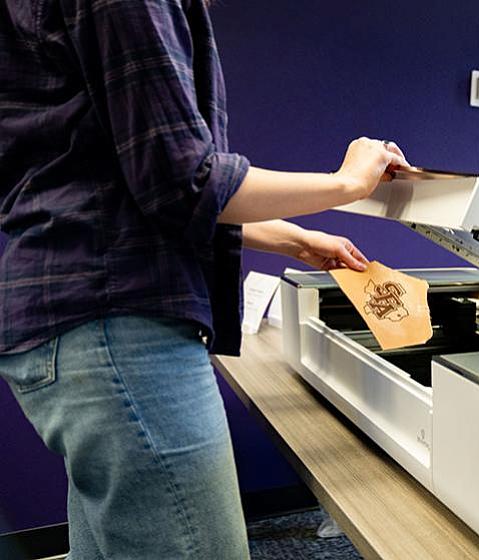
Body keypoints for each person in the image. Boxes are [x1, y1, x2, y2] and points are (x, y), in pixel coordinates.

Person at [0, 0, 409, 558]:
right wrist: (345, 184)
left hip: (71, 322)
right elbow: (184, 181)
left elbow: (133, 180)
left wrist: (296, 239)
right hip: (117, 321)